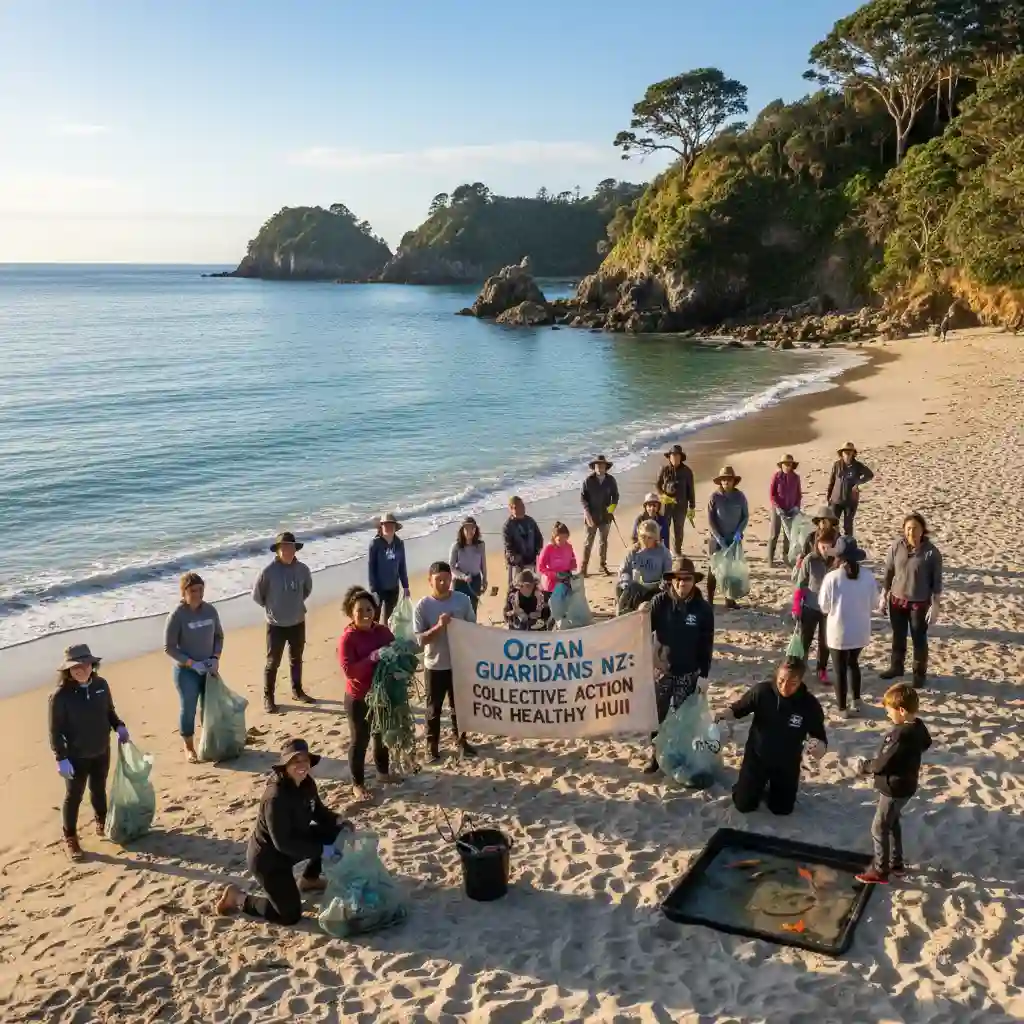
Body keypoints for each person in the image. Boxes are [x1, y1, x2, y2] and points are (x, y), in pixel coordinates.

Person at [216, 739, 353, 924]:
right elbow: (283, 844)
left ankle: (309, 879)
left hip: (296, 840)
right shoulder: (275, 798)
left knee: (335, 832)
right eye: (295, 761)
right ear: (285, 765)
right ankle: (238, 897)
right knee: (289, 916)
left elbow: (318, 812)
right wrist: (323, 850)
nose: (302, 765)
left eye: (305, 760)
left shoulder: (306, 783)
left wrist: (339, 820)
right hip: (269, 858)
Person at [48, 644, 130, 861]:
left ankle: (102, 821)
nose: (80, 670)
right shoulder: (60, 696)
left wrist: (119, 726)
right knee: (73, 796)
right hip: (75, 757)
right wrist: (61, 758)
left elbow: (109, 712)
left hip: (102, 749)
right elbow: (55, 731)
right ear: (68, 670)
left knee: (99, 788)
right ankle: (71, 837)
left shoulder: (101, 685)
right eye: (74, 667)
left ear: (92, 664)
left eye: (83, 665)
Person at [717, 657, 827, 816]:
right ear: (776, 676)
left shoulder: (809, 704)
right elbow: (738, 709)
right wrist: (721, 716)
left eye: (792, 683)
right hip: (757, 758)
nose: (785, 687)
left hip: (787, 763)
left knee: (782, 810)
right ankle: (745, 786)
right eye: (781, 680)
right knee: (744, 805)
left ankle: (772, 789)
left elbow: (821, 739)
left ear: (801, 681)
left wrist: (818, 746)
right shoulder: (762, 692)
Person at [854, 684, 932, 884]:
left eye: (890, 712)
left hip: (893, 788)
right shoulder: (918, 727)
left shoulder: (899, 735)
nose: (889, 716)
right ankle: (896, 863)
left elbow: (882, 763)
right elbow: (927, 743)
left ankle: (880, 870)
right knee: (893, 822)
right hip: (907, 785)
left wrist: (864, 766)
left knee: (879, 827)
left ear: (902, 711)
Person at [645, 557, 714, 774]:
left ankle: (682, 753)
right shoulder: (659, 602)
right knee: (657, 715)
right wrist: (640, 611)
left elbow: (707, 644)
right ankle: (654, 754)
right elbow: (642, 630)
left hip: (690, 671)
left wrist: (704, 675)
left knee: (685, 717)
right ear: (671, 580)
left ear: (694, 581)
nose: (682, 583)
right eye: (678, 579)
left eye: (687, 579)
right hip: (662, 671)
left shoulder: (703, 609)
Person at [338, 587, 403, 801]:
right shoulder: (348, 638)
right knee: (360, 740)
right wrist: (372, 658)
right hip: (359, 698)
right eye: (360, 611)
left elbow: (397, 650)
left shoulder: (382, 631)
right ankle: (357, 783)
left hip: (381, 694)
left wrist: (399, 665)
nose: (366, 614)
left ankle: (383, 773)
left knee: (381, 734)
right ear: (351, 614)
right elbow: (349, 671)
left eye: (369, 609)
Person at [413, 561, 477, 762]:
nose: (443, 583)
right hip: (435, 664)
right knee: (434, 708)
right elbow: (420, 640)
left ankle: (462, 741)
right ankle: (432, 745)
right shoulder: (423, 606)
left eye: (447, 579)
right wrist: (439, 627)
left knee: (460, 706)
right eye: (438, 580)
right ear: (430, 581)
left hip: (458, 663)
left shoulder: (463, 600)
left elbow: (473, 629)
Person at [163, 571, 224, 763]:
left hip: (208, 667)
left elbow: (219, 636)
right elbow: (169, 647)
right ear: (184, 592)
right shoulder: (177, 616)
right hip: (187, 671)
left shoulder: (210, 611)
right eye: (192, 590)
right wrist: (191, 663)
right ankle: (188, 747)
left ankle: (209, 743)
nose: (197, 594)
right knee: (188, 708)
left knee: (210, 708)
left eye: (200, 590)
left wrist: (215, 657)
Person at [880, 512, 944, 688]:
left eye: (915, 528)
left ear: (923, 530)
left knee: (919, 638)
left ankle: (919, 674)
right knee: (898, 635)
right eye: (908, 529)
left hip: (919, 603)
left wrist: (936, 605)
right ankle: (896, 667)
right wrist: (883, 594)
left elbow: (937, 582)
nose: (911, 532)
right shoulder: (896, 546)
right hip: (896, 600)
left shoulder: (931, 553)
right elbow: (889, 571)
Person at [253, 531, 315, 713]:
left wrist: (294, 604)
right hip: (276, 624)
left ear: (295, 549)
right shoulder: (268, 572)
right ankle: (268, 698)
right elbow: (258, 596)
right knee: (273, 663)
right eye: (283, 547)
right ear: (278, 550)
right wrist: (274, 608)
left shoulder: (303, 569)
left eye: (290, 546)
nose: (287, 550)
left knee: (296, 659)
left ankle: (297, 690)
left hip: (297, 621)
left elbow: (307, 590)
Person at [819, 537, 878, 718]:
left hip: (839, 632)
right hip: (860, 631)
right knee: (854, 664)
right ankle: (857, 700)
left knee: (840, 670)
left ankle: (842, 708)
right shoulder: (868, 576)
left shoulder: (832, 577)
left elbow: (824, 606)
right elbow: (875, 604)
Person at [793, 532, 836, 686]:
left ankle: (821, 669)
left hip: (829, 610)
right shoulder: (810, 560)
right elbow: (801, 584)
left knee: (825, 642)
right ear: (817, 545)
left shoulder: (837, 562)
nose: (825, 549)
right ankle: (800, 669)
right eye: (822, 546)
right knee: (805, 640)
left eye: (828, 546)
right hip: (810, 606)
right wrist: (796, 606)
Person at [707, 465, 749, 608]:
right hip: (717, 539)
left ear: (733, 481)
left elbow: (745, 517)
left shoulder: (740, 496)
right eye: (723, 480)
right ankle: (709, 599)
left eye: (728, 479)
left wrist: (739, 531)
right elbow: (710, 520)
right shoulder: (714, 497)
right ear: (720, 482)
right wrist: (718, 537)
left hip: (734, 539)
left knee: (731, 570)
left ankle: (729, 599)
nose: (726, 482)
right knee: (714, 570)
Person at [616, 519, 672, 615]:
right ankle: (622, 614)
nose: (645, 540)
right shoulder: (633, 552)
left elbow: (667, 574)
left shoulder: (663, 553)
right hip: (635, 589)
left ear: (656, 538)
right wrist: (626, 582)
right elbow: (624, 571)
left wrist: (663, 585)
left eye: (649, 537)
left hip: (655, 589)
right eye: (643, 537)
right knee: (624, 588)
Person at [367, 512, 410, 625]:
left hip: (393, 587)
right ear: (381, 526)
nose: (388, 527)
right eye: (385, 525)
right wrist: (373, 589)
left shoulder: (399, 543)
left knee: (390, 617)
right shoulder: (375, 544)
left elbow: (402, 566)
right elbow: (371, 567)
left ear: (396, 527)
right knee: (374, 617)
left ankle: (385, 637)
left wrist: (405, 586)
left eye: (391, 525)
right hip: (379, 588)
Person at [580, 455, 619, 576]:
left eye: (602, 465)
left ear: (606, 467)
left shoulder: (611, 480)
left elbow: (616, 496)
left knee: (604, 542)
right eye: (597, 465)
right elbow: (583, 498)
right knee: (588, 543)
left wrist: (611, 510)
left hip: (605, 517)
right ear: (594, 467)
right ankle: (584, 567)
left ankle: (603, 565)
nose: (599, 467)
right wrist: (587, 513)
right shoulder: (588, 480)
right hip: (591, 516)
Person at [827, 443, 874, 537]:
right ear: (842, 453)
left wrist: (858, 483)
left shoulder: (858, 466)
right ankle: (836, 542)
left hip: (851, 501)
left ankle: (848, 546)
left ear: (853, 453)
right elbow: (832, 481)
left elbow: (869, 475)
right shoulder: (837, 465)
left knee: (848, 526)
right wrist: (829, 497)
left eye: (850, 452)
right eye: (845, 452)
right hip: (836, 500)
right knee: (832, 524)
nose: (847, 454)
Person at [657, 445, 696, 556]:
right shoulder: (664, 470)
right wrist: (662, 495)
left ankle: (677, 551)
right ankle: (664, 551)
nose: (674, 458)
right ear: (669, 457)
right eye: (672, 455)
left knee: (678, 529)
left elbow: (691, 490)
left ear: (680, 457)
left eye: (676, 455)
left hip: (681, 505)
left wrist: (692, 507)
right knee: (664, 528)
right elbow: (658, 485)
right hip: (666, 505)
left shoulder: (687, 471)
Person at [767, 454, 803, 567]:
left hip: (791, 510)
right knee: (774, 534)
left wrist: (796, 507)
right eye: (785, 464)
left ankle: (786, 558)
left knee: (789, 536)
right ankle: (770, 560)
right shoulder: (776, 477)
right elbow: (772, 495)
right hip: (777, 510)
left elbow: (798, 495)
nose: (787, 466)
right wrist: (777, 507)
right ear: (781, 465)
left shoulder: (796, 477)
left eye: (789, 464)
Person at [502, 496, 543, 590]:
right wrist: (516, 559)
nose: (521, 509)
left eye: (522, 506)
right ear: (511, 509)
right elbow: (508, 547)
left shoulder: (530, 521)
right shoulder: (507, 526)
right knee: (515, 590)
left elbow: (539, 538)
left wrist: (537, 551)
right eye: (517, 507)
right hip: (516, 564)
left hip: (531, 561)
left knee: (532, 589)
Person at [449, 516, 487, 613]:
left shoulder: (480, 545)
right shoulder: (456, 546)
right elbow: (452, 567)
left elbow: (483, 564)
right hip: (460, 582)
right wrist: (463, 576)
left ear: (476, 530)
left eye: (472, 528)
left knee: (473, 609)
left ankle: (472, 626)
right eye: (466, 528)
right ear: (462, 530)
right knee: (459, 610)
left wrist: (485, 579)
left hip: (475, 580)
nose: (469, 531)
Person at [537, 522, 578, 598]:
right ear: (554, 538)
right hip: (551, 584)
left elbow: (572, 559)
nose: (563, 542)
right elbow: (540, 568)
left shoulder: (569, 546)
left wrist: (573, 566)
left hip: (565, 580)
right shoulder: (548, 549)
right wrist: (554, 575)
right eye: (559, 540)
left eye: (565, 538)